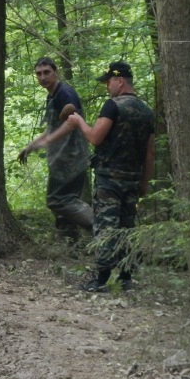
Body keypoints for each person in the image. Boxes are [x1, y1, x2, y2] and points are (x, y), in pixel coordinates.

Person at [67, 61, 155, 292]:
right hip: (133, 179)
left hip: (109, 180)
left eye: (108, 82)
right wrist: (144, 181)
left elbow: (95, 137)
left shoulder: (112, 107)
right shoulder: (147, 111)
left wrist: (78, 122)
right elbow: (149, 151)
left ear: (120, 81)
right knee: (127, 227)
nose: (107, 87)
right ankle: (126, 277)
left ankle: (101, 279)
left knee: (106, 227)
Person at [18, 57, 93, 240]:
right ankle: (70, 245)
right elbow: (52, 127)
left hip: (70, 158)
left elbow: (72, 121)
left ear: (56, 72)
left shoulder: (64, 93)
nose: (42, 77)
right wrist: (32, 145)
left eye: (46, 72)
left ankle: (103, 226)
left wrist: (48, 140)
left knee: (57, 200)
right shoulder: (52, 95)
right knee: (64, 204)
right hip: (62, 158)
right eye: (38, 73)